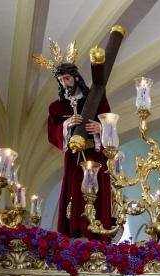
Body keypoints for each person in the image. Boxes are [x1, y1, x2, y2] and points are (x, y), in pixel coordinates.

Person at [46, 62, 112, 239]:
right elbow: (52, 134)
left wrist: (100, 128)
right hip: (74, 159)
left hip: (95, 155)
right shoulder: (56, 107)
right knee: (74, 193)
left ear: (76, 77)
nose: (64, 84)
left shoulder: (96, 99)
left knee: (98, 194)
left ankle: (97, 232)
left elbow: (110, 123)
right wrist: (66, 125)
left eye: (66, 78)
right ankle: (75, 231)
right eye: (60, 80)